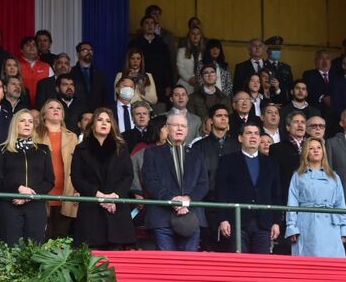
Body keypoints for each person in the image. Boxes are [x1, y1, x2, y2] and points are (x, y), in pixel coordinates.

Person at [71, 107, 136, 249]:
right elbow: (76, 178)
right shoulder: (81, 149)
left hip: (116, 208)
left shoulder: (121, 148)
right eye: (100, 120)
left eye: (108, 121)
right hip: (91, 210)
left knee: (117, 258)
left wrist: (114, 196)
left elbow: (128, 175)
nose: (104, 123)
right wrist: (98, 195)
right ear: (93, 124)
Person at [142, 113, 209, 251]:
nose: (180, 129)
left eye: (183, 126)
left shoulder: (197, 154)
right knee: (167, 266)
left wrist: (187, 199)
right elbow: (150, 181)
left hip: (191, 216)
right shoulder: (152, 153)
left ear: (187, 130)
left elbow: (203, 184)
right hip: (162, 217)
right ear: (166, 128)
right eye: (176, 125)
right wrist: (172, 200)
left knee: (189, 265)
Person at [216, 121, 282, 253]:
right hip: (237, 222)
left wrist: (276, 222)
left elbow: (276, 194)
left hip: (264, 222)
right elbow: (221, 191)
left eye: (256, 134)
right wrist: (223, 219)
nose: (253, 137)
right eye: (249, 133)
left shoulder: (271, 163)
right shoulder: (227, 160)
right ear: (240, 138)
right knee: (239, 266)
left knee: (262, 267)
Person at [0, 109, 54, 246]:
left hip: (36, 206)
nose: (27, 124)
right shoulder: (2, 150)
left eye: (30, 121)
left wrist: (29, 195)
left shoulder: (43, 150)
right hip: (10, 205)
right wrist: (18, 189)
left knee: (34, 249)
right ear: (15, 124)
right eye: (22, 121)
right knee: (10, 248)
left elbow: (49, 180)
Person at [285, 137, 346, 257]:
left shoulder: (334, 177)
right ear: (306, 153)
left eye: (319, 148)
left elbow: (340, 204)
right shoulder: (298, 176)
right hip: (307, 224)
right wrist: (291, 227)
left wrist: (344, 230)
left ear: (323, 151)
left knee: (331, 266)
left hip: (331, 226)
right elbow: (292, 203)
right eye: (311, 148)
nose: (316, 151)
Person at [191, 104, 240, 251]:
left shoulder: (236, 145)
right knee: (208, 246)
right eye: (219, 116)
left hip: (231, 201)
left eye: (226, 116)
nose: (223, 118)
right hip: (207, 201)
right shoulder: (199, 146)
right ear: (211, 120)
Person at [35, 99, 79, 239]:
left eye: (59, 108)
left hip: (67, 192)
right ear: (43, 114)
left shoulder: (72, 137)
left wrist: (78, 190)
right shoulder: (34, 135)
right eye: (51, 107)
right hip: (42, 191)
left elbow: (79, 166)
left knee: (61, 238)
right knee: (42, 236)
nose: (55, 110)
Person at [128, 15, 173, 105]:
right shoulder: (135, 43)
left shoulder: (162, 44)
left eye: (152, 23)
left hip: (160, 83)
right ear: (142, 26)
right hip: (141, 81)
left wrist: (168, 84)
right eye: (147, 23)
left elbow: (168, 66)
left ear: (156, 26)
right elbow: (129, 63)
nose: (150, 25)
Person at [70, 42, 107, 111]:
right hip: (76, 114)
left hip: (96, 113)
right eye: (85, 50)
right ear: (78, 54)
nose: (88, 52)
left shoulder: (99, 74)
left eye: (90, 50)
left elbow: (104, 97)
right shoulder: (71, 72)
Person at [18, 36, 54, 108]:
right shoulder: (15, 65)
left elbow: (51, 90)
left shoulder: (47, 67)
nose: (31, 47)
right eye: (28, 45)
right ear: (21, 50)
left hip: (42, 108)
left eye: (34, 45)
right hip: (20, 106)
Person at [263, 36, 293, 104]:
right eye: (274, 49)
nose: (277, 52)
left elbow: (290, 87)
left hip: (284, 103)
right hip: (269, 102)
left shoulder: (286, 67)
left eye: (279, 49)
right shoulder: (263, 66)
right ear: (267, 50)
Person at [177, 26, 205, 95]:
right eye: (193, 33)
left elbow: (206, 68)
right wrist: (190, 79)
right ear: (189, 36)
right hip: (185, 83)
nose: (195, 36)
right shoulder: (182, 51)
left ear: (201, 36)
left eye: (198, 34)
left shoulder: (204, 52)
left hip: (201, 85)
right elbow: (180, 68)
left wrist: (199, 81)